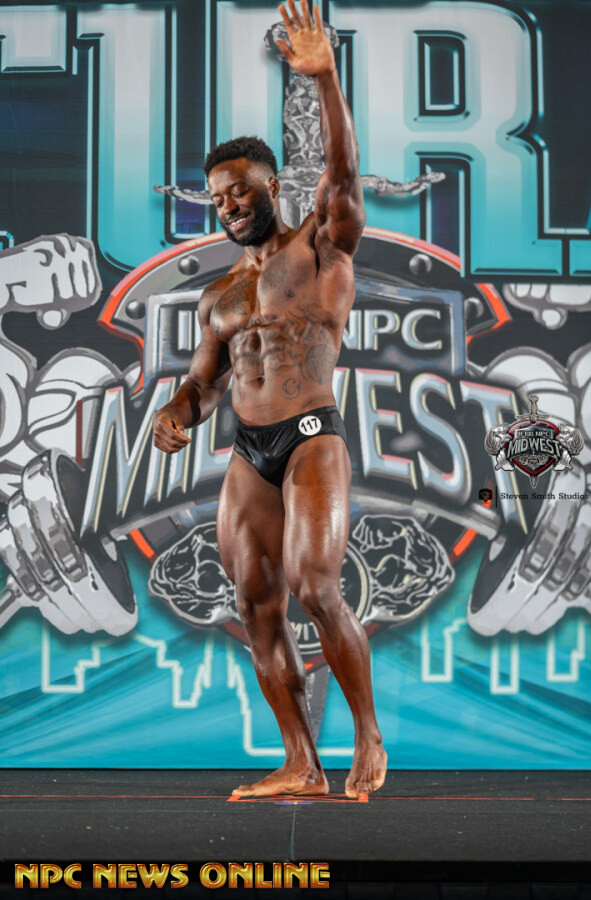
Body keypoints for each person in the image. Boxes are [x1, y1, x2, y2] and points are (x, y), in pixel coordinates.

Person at [153, 0, 386, 798]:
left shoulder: (320, 246)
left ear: (271, 185)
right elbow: (202, 382)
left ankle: (367, 734)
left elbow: (344, 178)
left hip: (312, 434)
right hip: (249, 452)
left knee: (315, 585)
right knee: (256, 606)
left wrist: (325, 79)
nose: (229, 206)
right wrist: (177, 413)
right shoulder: (217, 295)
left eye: (241, 192)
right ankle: (300, 763)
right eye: (218, 198)